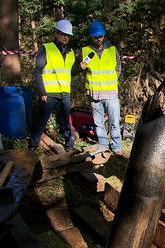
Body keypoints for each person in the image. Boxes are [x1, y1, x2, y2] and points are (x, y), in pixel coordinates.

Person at [30, 18, 76, 151]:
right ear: (56, 33)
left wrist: (82, 67)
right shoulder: (46, 48)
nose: (65, 37)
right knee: (41, 121)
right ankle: (33, 146)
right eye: (63, 34)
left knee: (66, 121)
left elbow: (69, 72)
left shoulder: (71, 53)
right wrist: (42, 92)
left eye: (68, 35)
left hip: (64, 93)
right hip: (49, 93)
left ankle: (69, 145)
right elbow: (38, 71)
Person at [80, 20, 123, 156]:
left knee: (114, 121)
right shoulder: (85, 51)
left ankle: (116, 146)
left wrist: (110, 81)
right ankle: (103, 145)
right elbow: (82, 70)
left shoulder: (112, 50)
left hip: (110, 93)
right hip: (94, 94)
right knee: (99, 123)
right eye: (95, 37)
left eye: (101, 36)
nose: (98, 39)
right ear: (91, 36)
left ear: (104, 35)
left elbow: (118, 68)